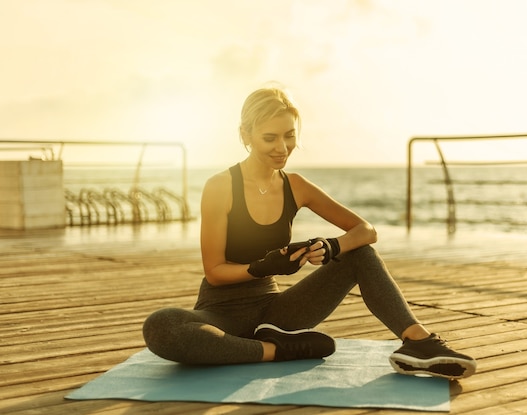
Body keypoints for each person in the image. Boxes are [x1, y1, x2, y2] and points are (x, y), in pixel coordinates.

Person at [142, 87, 477, 379]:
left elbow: (366, 231)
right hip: (220, 314)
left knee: (359, 254)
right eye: (269, 138)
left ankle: (419, 343)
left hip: (278, 314)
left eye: (289, 135)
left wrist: (331, 246)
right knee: (162, 326)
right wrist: (263, 267)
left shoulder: (296, 186)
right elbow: (214, 273)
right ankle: (279, 350)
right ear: (245, 134)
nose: (282, 147)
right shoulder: (220, 187)